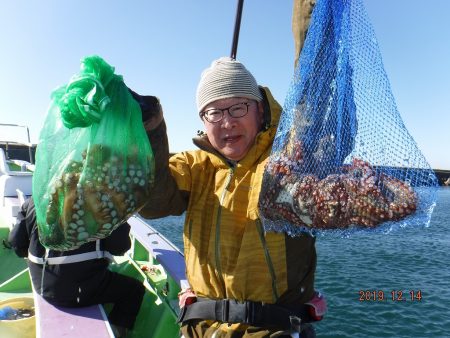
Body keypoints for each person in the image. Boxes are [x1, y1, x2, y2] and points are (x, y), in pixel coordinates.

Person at [138, 56, 325, 338]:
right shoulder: (194, 165)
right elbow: (154, 203)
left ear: (260, 111)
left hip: (274, 331)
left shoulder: (289, 161)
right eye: (214, 112)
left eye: (238, 107)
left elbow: (319, 103)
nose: (227, 122)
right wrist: (150, 129)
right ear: (203, 120)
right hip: (199, 329)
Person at [8, 197, 145, 337]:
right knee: (134, 290)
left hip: (42, 284)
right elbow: (119, 248)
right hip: (83, 290)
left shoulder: (35, 200)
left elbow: (17, 245)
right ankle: (118, 332)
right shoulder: (103, 203)